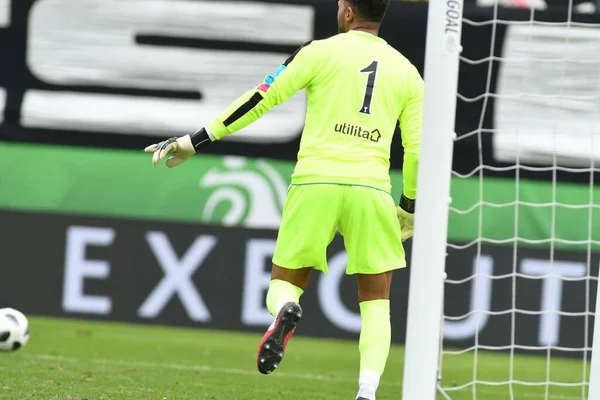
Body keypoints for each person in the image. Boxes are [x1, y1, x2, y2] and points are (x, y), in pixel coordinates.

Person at [144, 0, 423, 398]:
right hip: (372, 188)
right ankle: (367, 392)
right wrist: (408, 206)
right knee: (376, 300)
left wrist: (196, 140)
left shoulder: (319, 51)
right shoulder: (409, 73)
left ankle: (284, 312)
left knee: (284, 283)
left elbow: (262, 98)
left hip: (315, 181)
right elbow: (415, 151)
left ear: (347, 13)